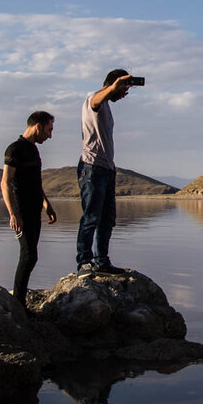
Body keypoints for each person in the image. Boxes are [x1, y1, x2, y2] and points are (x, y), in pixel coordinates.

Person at [76, 69, 135, 272]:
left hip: (106, 169)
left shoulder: (107, 107)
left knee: (107, 219)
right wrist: (112, 87)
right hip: (92, 168)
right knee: (91, 217)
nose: (124, 94)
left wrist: (112, 166)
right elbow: (95, 102)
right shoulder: (94, 98)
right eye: (124, 89)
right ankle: (84, 262)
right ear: (113, 84)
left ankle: (102, 262)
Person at [2, 111, 57, 308]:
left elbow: (35, 183)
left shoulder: (34, 150)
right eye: (49, 130)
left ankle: (19, 300)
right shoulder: (15, 149)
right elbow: (5, 183)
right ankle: (18, 304)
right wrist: (13, 213)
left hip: (35, 210)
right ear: (38, 126)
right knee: (28, 256)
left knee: (31, 256)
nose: (50, 136)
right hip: (22, 212)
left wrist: (47, 205)